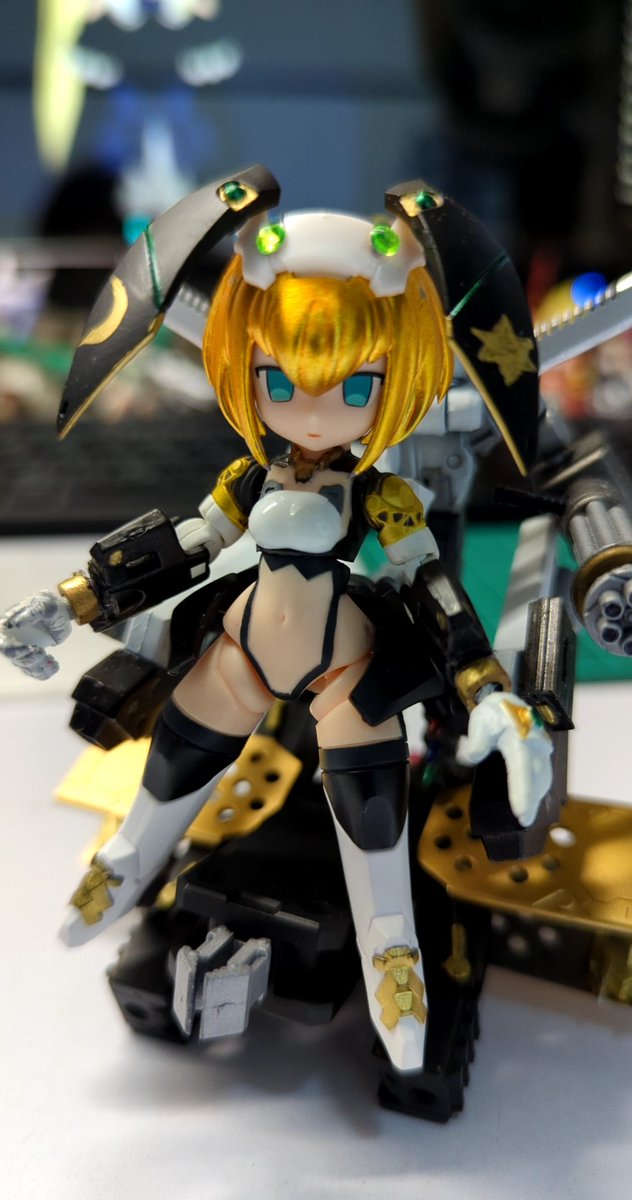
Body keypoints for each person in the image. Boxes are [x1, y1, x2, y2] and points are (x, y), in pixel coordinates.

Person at [0, 204, 552, 1073]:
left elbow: (429, 585)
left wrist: (485, 688)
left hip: (345, 664)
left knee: (371, 820)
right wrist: (70, 602)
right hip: (245, 646)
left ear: (396, 379)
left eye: (355, 387)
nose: (314, 411)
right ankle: (123, 867)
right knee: (172, 765)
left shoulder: (379, 496)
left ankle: (392, 957)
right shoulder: (248, 477)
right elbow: (182, 546)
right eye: (280, 380)